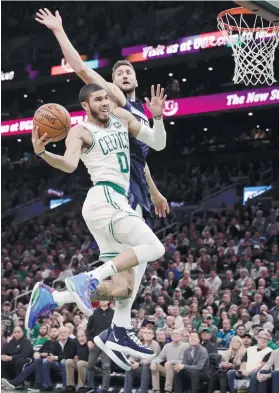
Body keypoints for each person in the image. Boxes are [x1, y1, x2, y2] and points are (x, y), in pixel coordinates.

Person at [34, 8, 169, 369]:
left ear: (136, 79)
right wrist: (60, 32)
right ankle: (116, 327)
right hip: (116, 196)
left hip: (132, 191)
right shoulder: (116, 105)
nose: (124, 74)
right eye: (118, 72)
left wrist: (154, 191)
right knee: (146, 255)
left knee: (126, 285)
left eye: (129, 71)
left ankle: (61, 298)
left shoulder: (138, 112)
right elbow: (80, 68)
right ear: (109, 87)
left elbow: (147, 155)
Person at [85, 301, 114, 391]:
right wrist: (89, 340)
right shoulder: (93, 313)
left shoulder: (114, 314)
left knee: (106, 367)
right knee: (90, 365)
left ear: (109, 300)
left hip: (108, 343)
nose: (103, 300)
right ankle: (89, 386)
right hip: (95, 342)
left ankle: (105, 389)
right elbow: (88, 329)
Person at [124, 326, 160, 393]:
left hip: (152, 369)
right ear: (142, 334)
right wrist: (131, 362)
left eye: (149, 333)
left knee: (145, 367)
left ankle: (143, 391)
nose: (147, 334)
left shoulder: (155, 345)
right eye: (145, 333)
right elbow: (133, 355)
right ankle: (127, 391)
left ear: (153, 336)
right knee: (129, 368)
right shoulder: (140, 344)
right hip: (140, 366)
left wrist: (139, 364)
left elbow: (150, 359)